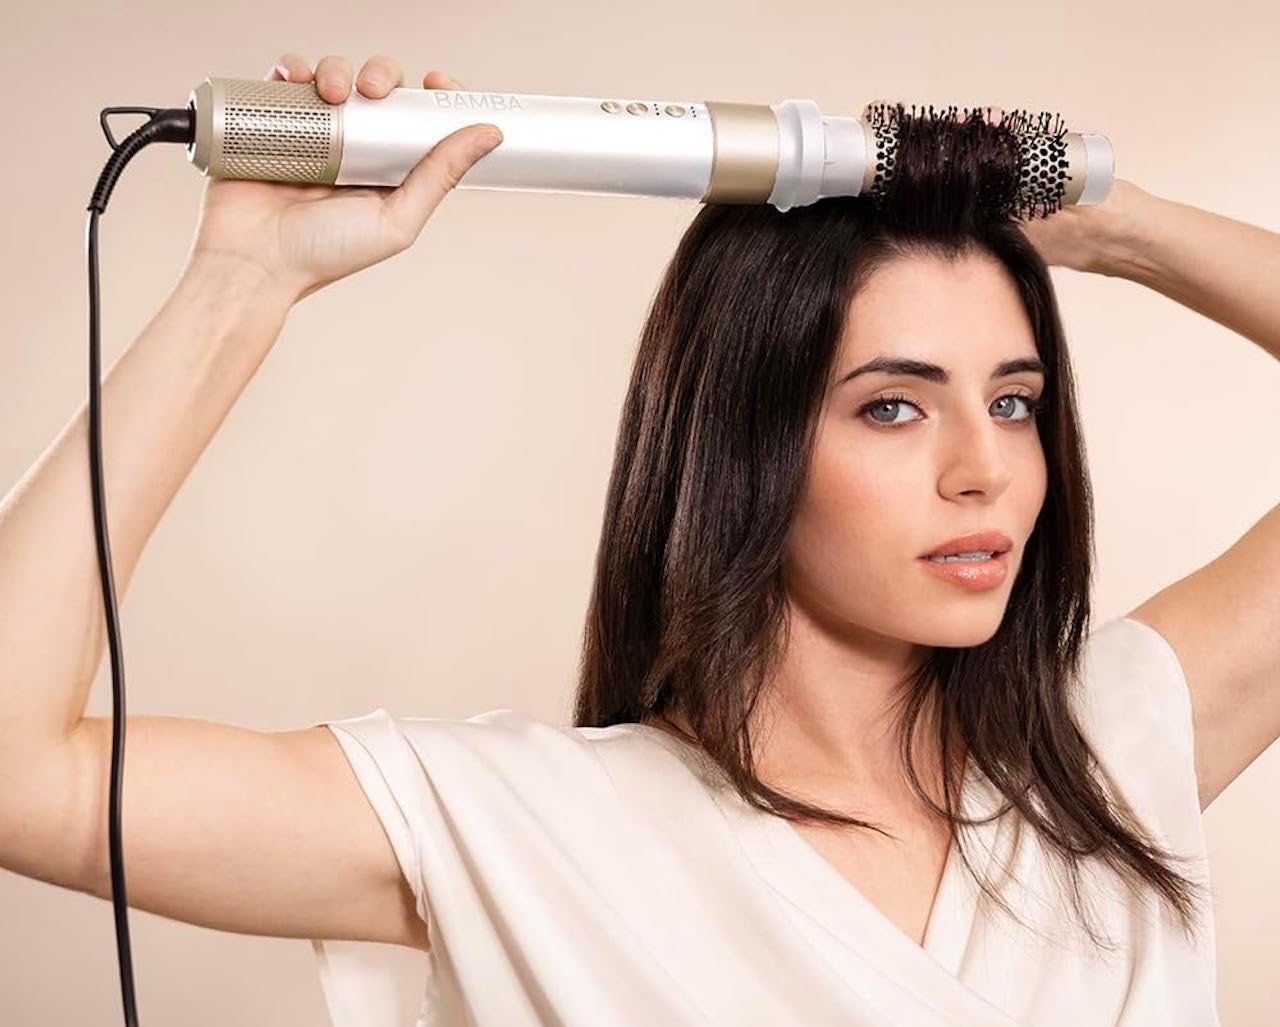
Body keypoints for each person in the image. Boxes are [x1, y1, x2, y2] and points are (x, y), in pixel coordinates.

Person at [3, 50, 1278, 1027]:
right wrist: (241, 285)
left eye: (1012, 401)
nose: (984, 469)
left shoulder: (1111, 752)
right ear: (746, 446)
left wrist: (1121, 229)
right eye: (892, 406)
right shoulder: (531, 834)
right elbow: (18, 774)